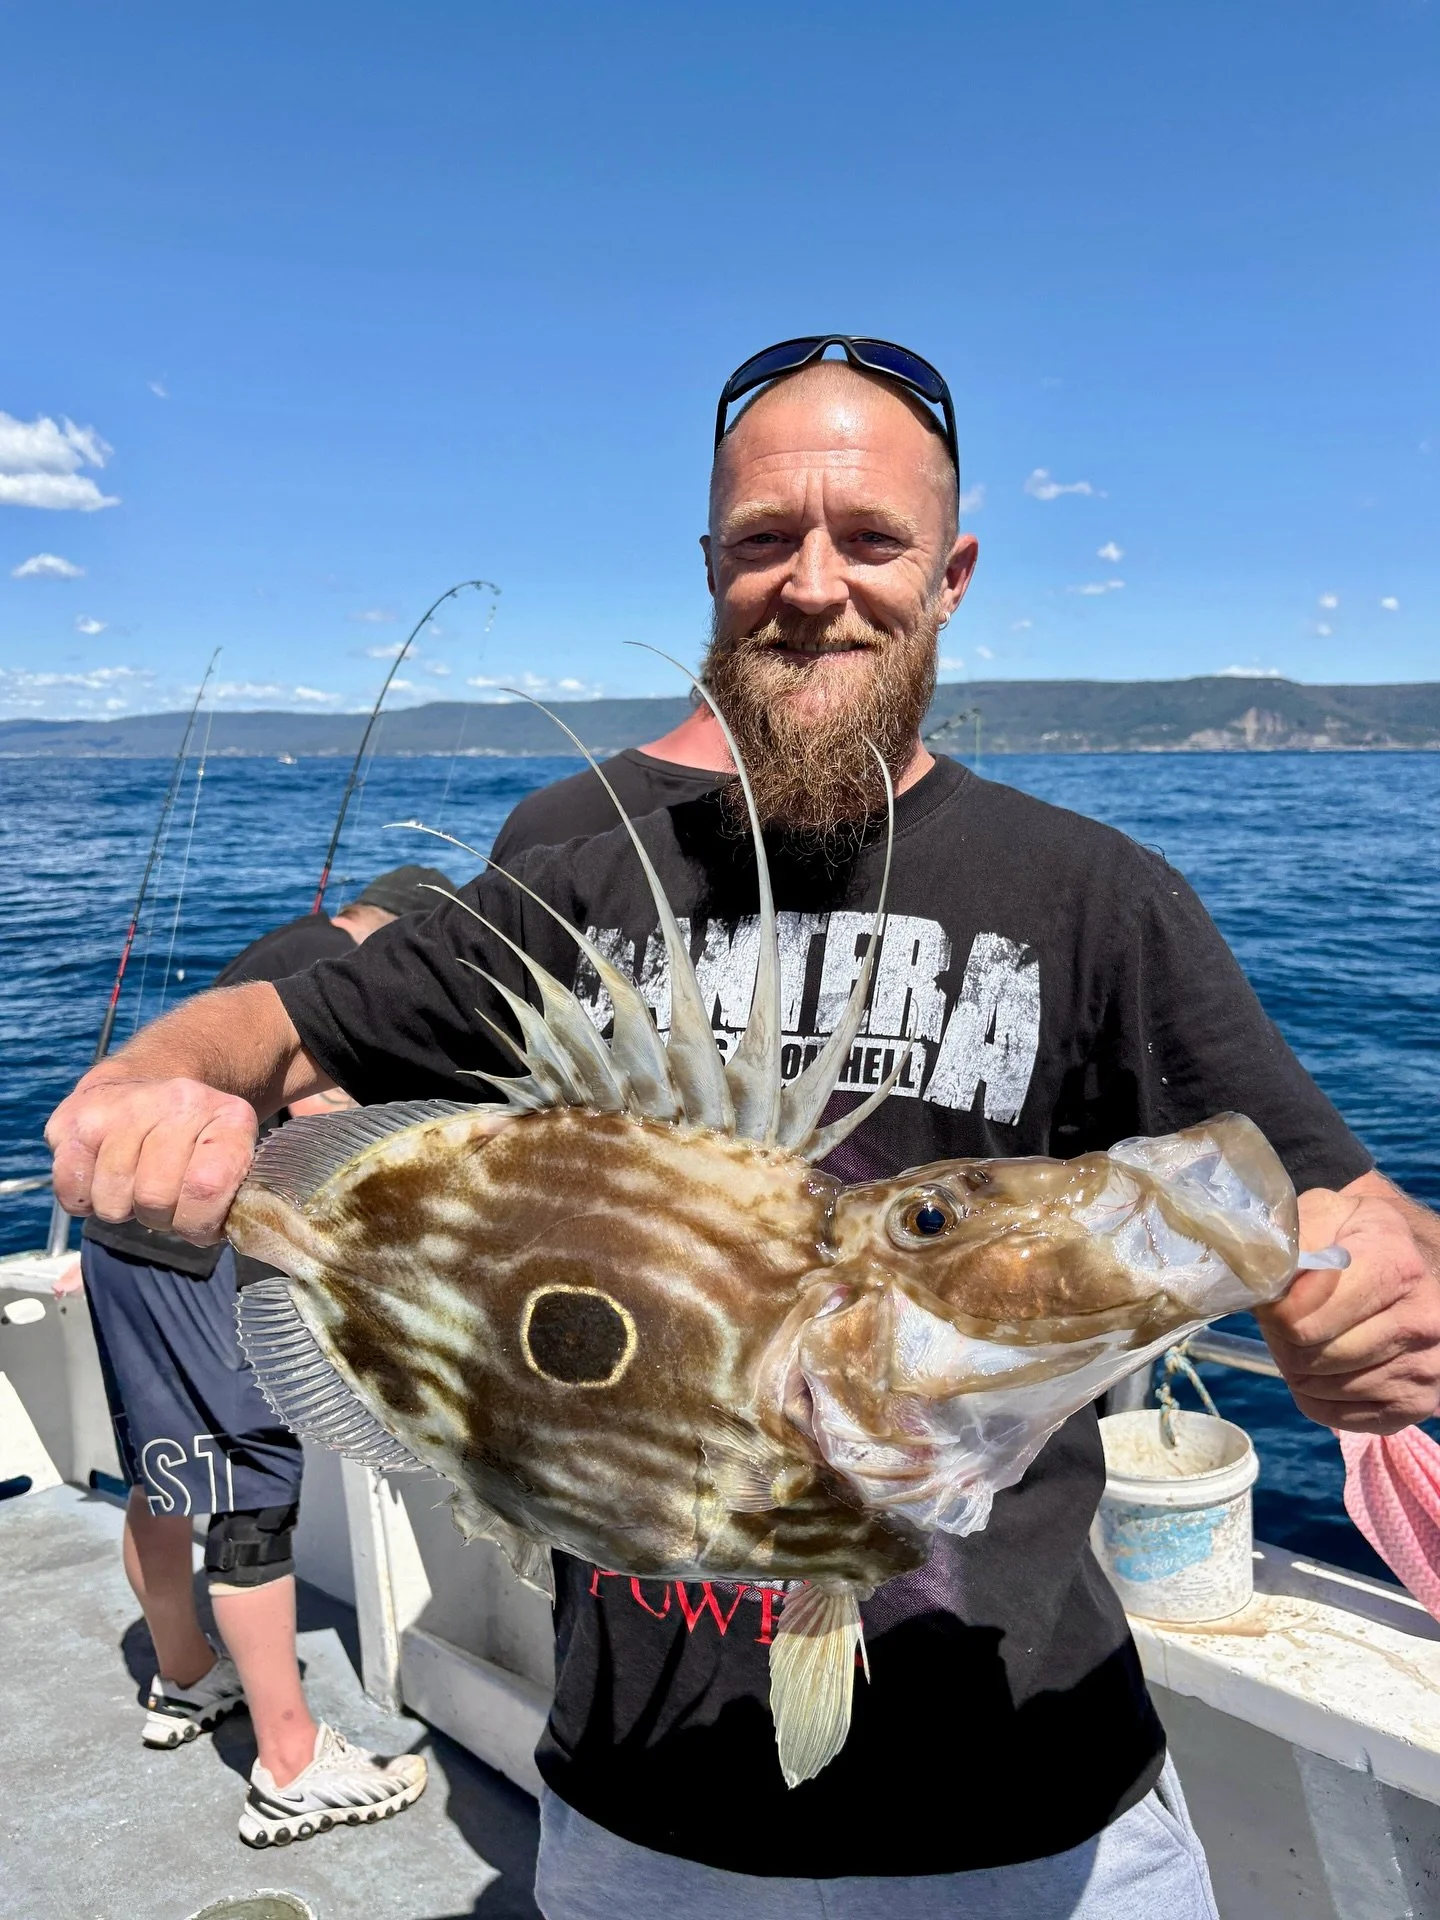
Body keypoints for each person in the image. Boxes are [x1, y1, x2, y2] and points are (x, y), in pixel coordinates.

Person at [46, 339, 1440, 1916]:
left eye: (872, 539)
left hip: (1041, 1815)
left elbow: (1346, 1209)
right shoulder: (584, 878)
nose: (813, 583)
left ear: (954, 572)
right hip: (645, 1816)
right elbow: (286, 1021)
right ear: (713, 568)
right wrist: (152, 1077)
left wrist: (1371, 1300)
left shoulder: (1096, 896)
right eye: (765, 540)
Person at [70, 865, 449, 1849]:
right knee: (251, 1492)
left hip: (117, 1242)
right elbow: (331, 1118)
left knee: (166, 1471)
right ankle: (289, 1768)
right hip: (193, 1262)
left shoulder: (275, 955)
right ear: (391, 934)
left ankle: (184, 1671)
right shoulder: (334, 969)